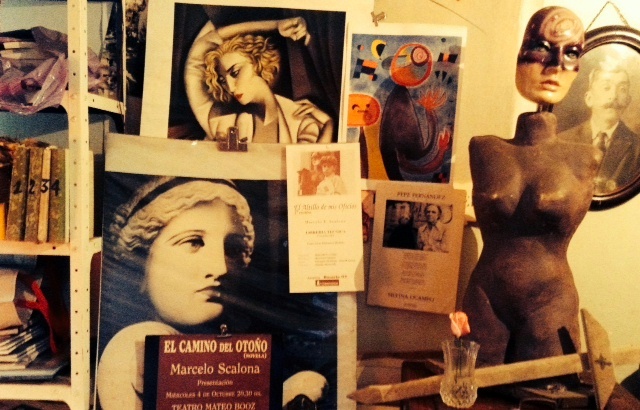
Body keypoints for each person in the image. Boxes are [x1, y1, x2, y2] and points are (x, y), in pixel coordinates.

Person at [96, 176, 335, 409]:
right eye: (193, 242)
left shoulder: (230, 346)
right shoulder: (134, 345)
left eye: (232, 248)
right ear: (141, 263)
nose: (220, 268)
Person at [462, 7, 602, 367]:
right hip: (485, 296)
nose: (554, 65)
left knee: (547, 390)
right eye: (541, 48)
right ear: (520, 54)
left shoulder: (586, 156)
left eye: (571, 53)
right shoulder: (484, 148)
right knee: (469, 388)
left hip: (549, 299)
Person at [187, 17, 333, 144]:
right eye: (223, 81)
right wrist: (275, 25)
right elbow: (201, 47)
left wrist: (329, 124)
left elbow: (307, 162)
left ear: (258, 62)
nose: (230, 88)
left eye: (235, 73)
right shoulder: (222, 120)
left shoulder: (299, 120)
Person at [559, 61, 640, 194]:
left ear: (628, 100)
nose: (614, 96)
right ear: (589, 98)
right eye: (606, 88)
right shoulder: (563, 141)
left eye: (622, 89)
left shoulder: (637, 148)